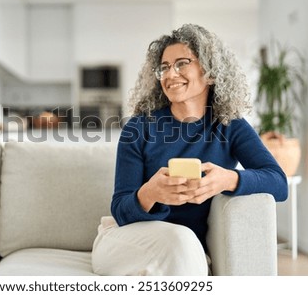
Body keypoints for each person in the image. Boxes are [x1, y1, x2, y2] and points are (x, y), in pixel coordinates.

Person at [91, 23, 288, 276]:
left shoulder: (231, 126)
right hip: (127, 241)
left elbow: (278, 182)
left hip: (185, 252)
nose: (170, 74)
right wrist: (151, 193)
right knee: (181, 243)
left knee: (183, 246)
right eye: (163, 67)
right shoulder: (139, 127)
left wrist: (227, 179)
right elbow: (120, 211)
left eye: (182, 63)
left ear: (211, 72)